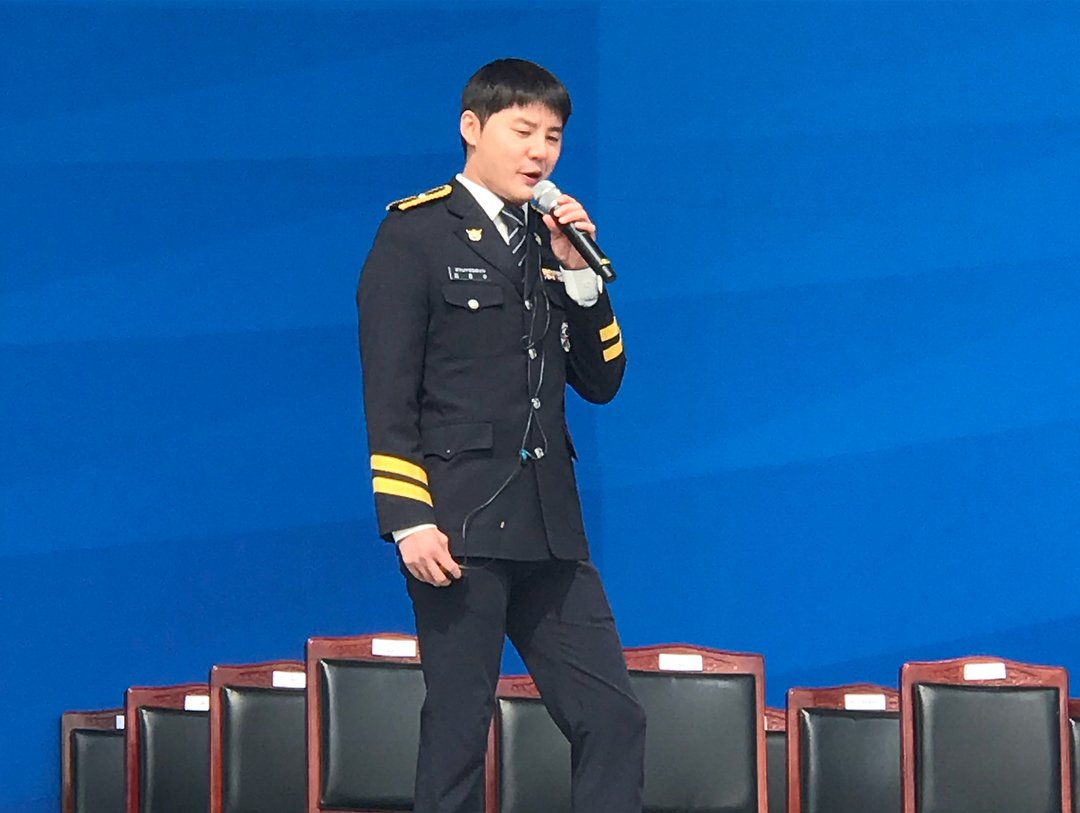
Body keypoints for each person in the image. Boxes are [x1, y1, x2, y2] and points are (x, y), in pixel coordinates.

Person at [357, 58, 645, 813]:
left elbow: (602, 381)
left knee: (613, 715)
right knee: (460, 727)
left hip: (549, 524)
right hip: (460, 522)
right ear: (472, 127)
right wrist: (408, 517)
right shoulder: (415, 233)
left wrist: (578, 276)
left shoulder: (550, 240)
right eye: (523, 131)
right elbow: (388, 390)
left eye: (553, 137)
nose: (540, 152)